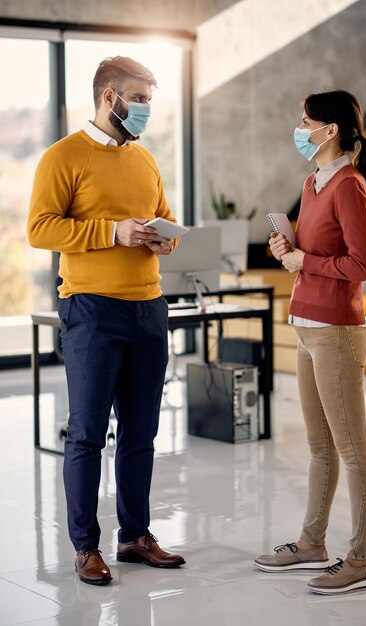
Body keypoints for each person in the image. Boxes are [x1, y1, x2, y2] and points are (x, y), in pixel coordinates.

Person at [28, 56, 186, 585]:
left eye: (148, 100)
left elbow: (164, 216)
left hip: (149, 307)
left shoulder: (145, 160)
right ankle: (84, 547)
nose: (145, 109)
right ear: (109, 97)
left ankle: (135, 536)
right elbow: (40, 229)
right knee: (88, 433)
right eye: (139, 99)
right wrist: (111, 232)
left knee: (142, 434)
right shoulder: (62, 157)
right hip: (91, 309)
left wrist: (167, 238)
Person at [254, 89, 366, 595]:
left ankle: (362, 558)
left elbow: (363, 265)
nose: (299, 127)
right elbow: (316, 253)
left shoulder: (349, 185)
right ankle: (312, 543)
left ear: (330, 130)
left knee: (352, 449)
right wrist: (288, 249)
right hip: (306, 325)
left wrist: (304, 261)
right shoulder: (313, 182)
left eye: (306, 121)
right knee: (320, 448)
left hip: (336, 331)